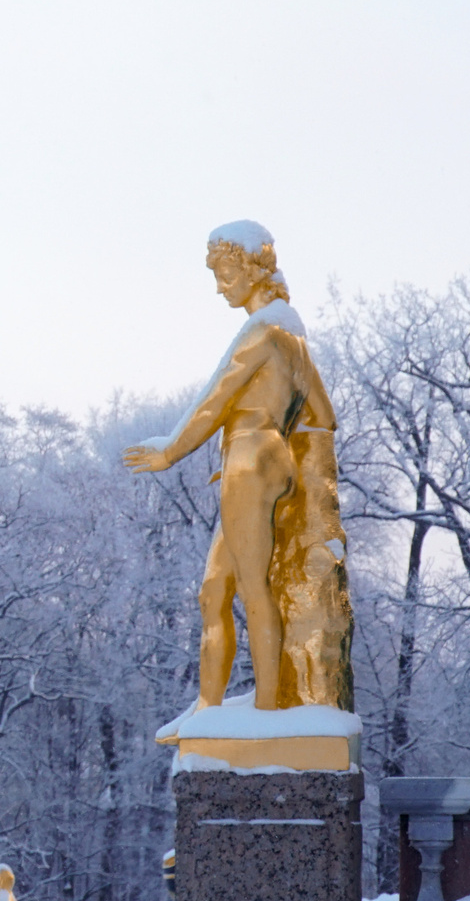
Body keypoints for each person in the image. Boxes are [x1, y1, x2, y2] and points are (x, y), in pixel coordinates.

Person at [122, 222, 350, 711]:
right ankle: (209, 708)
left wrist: (172, 451)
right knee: (213, 591)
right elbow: (323, 418)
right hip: (256, 461)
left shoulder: (263, 329)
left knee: (250, 587)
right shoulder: (293, 339)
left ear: (252, 270)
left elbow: (214, 401)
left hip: (250, 457)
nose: (220, 286)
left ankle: (267, 712)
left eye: (226, 274)